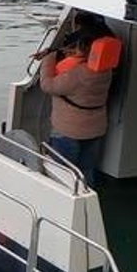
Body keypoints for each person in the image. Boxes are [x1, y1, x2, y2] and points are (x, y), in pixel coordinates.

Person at [37, 25, 115, 188]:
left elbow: (47, 85)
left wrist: (48, 59)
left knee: (63, 174)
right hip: (95, 130)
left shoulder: (77, 75)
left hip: (68, 131)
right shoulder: (107, 70)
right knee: (87, 171)